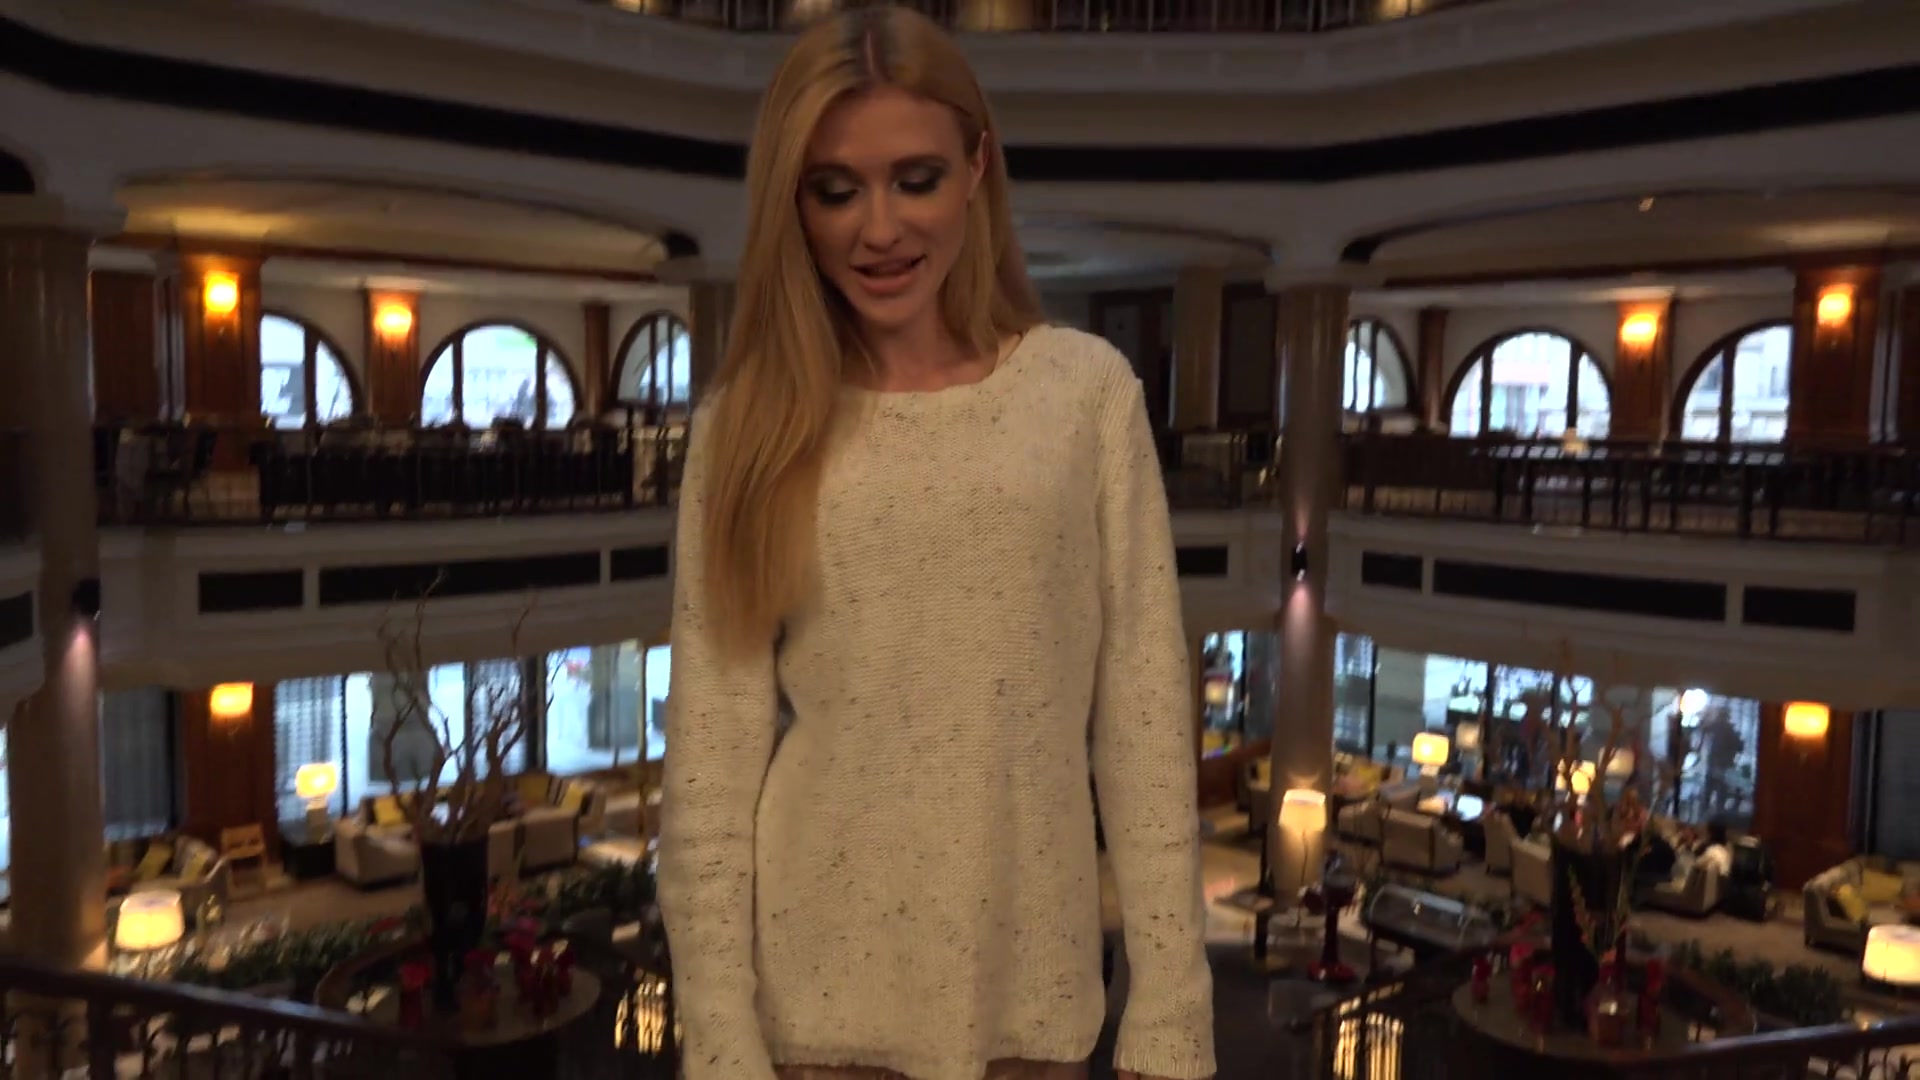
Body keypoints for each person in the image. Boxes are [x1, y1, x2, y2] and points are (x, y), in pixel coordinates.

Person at [654, 8, 1216, 1080]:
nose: (879, 229)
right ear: (794, 204)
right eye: (836, 190)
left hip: (1035, 1005)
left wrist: (1174, 1008)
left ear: (976, 170)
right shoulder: (749, 425)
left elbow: (1143, 718)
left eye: (914, 180)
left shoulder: (1086, 396)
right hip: (811, 1017)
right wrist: (718, 1033)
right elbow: (711, 757)